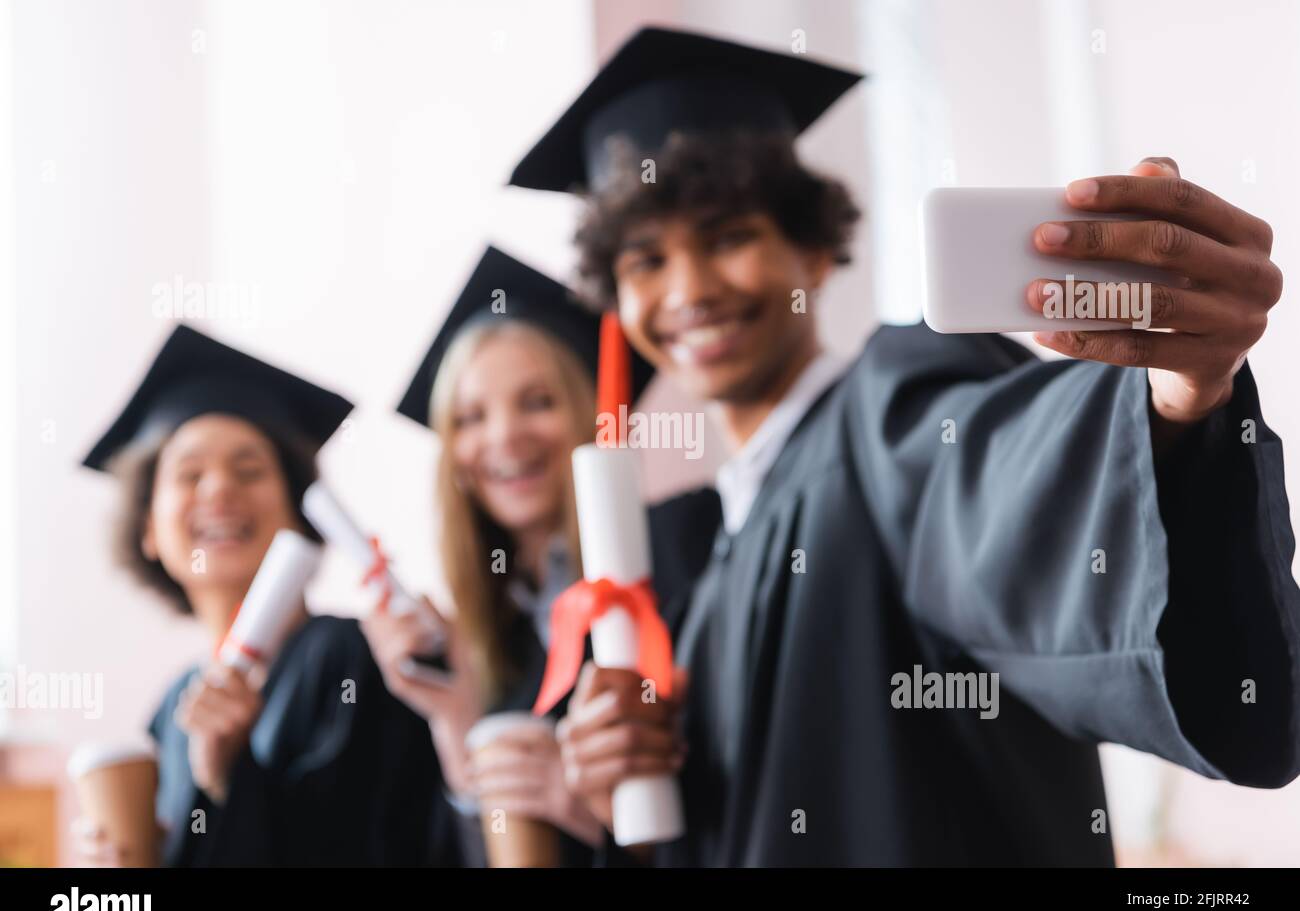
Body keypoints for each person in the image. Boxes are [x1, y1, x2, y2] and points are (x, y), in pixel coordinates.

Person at [509, 27, 1299, 865]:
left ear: (813, 248)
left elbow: (1003, 482)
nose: (690, 290)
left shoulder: (892, 405)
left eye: (729, 237)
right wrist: (620, 784)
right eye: (646, 261)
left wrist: (1175, 397)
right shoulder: (706, 575)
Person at [361, 247, 717, 864]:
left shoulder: (682, 549)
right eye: (470, 417)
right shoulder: (487, 632)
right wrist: (459, 725)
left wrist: (592, 803)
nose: (503, 437)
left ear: (592, 416)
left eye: (538, 403)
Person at [76, 324, 459, 866]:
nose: (219, 490)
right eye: (189, 474)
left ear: (298, 511)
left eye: (250, 470)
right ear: (149, 532)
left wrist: (233, 776)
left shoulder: (351, 657)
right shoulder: (173, 706)